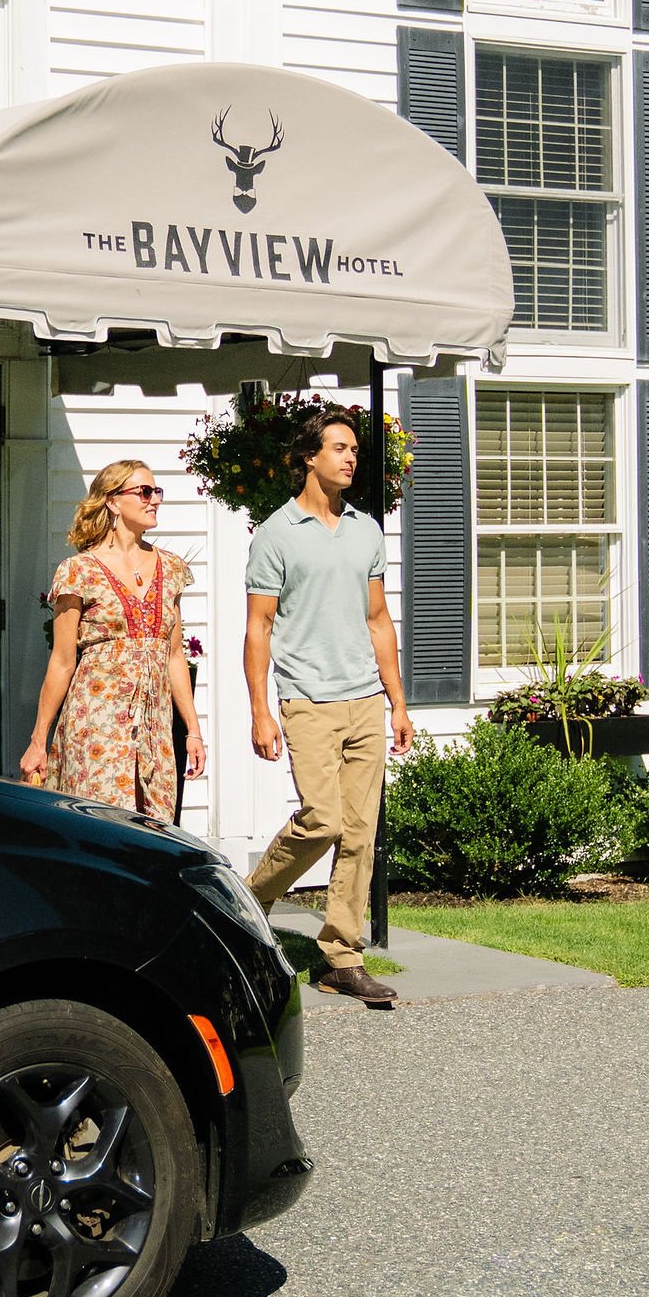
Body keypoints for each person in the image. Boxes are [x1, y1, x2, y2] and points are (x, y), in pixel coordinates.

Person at [244, 402, 413, 1007]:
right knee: (324, 820)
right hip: (307, 698)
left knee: (361, 834)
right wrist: (262, 710)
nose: (351, 458)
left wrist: (397, 702)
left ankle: (342, 955)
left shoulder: (367, 529)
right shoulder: (276, 533)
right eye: (340, 448)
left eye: (355, 451)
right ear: (309, 457)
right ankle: (251, 898)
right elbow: (259, 627)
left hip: (365, 700)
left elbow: (377, 618)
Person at [21, 460, 206, 820]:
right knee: (100, 829)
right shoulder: (79, 571)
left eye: (157, 492)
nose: (155, 500)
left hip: (155, 730)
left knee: (155, 832)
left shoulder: (171, 568)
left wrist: (193, 732)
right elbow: (62, 660)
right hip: (96, 726)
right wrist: (37, 739)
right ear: (113, 501)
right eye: (144, 492)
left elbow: (173, 657)